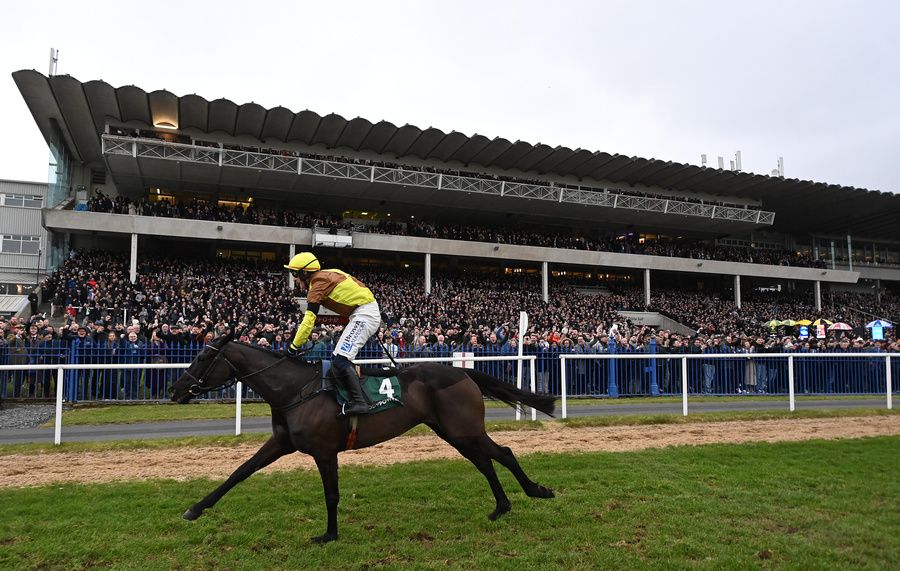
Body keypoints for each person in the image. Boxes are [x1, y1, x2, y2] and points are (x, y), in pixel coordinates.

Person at [284, 252, 379, 416]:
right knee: (338, 360)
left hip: (364, 314)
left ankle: (359, 403)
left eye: (295, 273)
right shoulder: (329, 273)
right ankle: (350, 398)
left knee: (341, 361)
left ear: (305, 273)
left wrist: (294, 347)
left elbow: (309, 321)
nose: (294, 278)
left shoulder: (317, 283)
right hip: (363, 312)